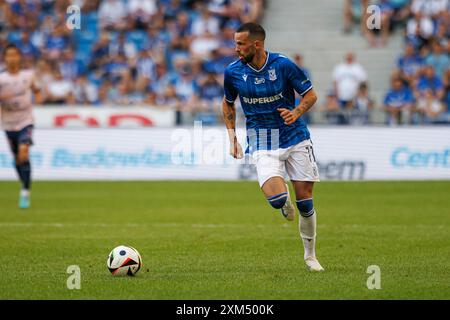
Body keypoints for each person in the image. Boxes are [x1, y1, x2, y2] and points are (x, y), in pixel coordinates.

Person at [222, 23, 324, 272]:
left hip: (295, 136)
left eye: (240, 44)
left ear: (256, 44)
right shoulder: (233, 72)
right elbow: (228, 104)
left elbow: (310, 95)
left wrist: (296, 111)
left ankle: (310, 256)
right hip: (262, 138)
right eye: (235, 43)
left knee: (306, 202)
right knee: (278, 199)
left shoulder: (283, 65)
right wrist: (232, 137)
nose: (236, 49)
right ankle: (284, 200)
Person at [0, 44, 41, 208]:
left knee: (24, 153)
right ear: (5, 58)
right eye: (9, 55)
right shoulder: (1, 79)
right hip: (8, 122)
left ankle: (25, 191)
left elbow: (37, 90)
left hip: (26, 120)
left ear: (19, 57)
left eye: (14, 55)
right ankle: (23, 183)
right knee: (17, 158)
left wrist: (38, 100)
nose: (12, 58)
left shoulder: (28, 75)